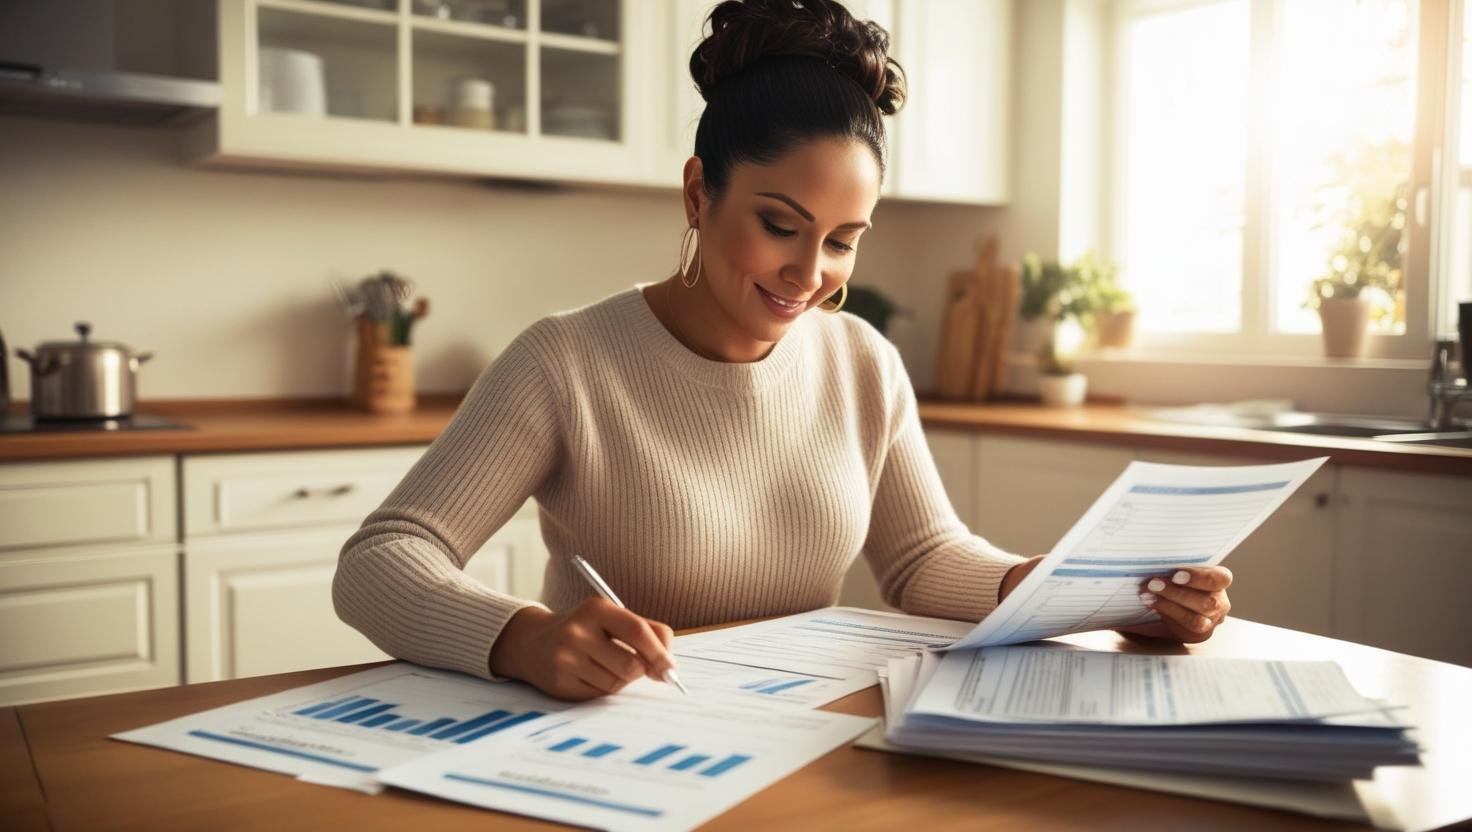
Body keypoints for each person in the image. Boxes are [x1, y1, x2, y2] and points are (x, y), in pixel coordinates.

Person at [334, 0, 1232, 702]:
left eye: (844, 239)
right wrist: (522, 638)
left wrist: (1072, 592)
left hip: (800, 733)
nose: (811, 273)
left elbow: (921, 560)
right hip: (619, 741)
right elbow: (382, 561)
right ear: (699, 193)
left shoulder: (862, 362)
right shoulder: (566, 362)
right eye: (780, 226)